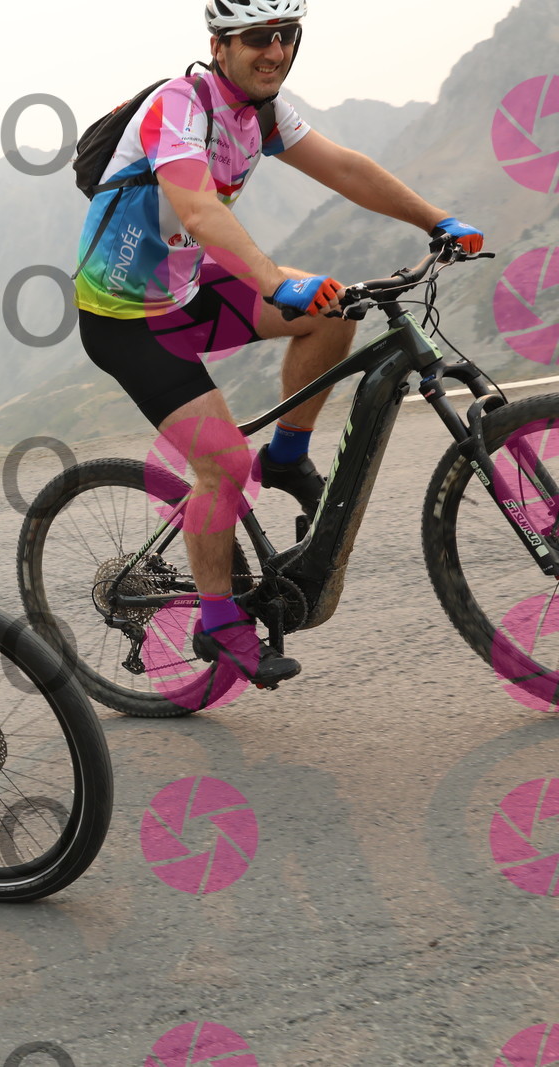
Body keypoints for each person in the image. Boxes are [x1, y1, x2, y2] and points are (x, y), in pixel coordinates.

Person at [73, 0, 484, 690]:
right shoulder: (179, 107)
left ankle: (287, 457)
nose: (276, 51)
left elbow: (344, 168)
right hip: (126, 317)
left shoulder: (260, 113)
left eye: (287, 35)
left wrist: (436, 219)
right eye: (258, 37)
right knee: (223, 466)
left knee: (334, 309)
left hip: (186, 289)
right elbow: (197, 207)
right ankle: (217, 620)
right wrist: (271, 280)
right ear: (219, 45)